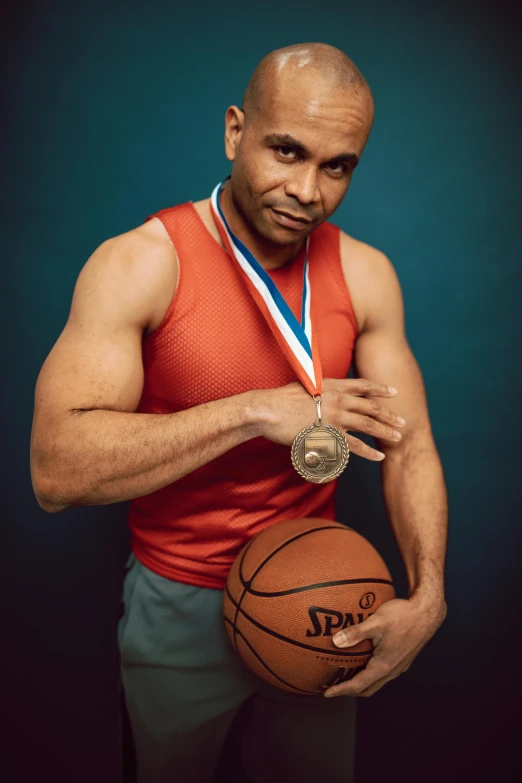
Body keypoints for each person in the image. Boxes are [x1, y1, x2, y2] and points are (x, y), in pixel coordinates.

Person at [30, 42, 448, 783]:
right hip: (178, 598)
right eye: (286, 151)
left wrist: (430, 591)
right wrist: (253, 410)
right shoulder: (140, 263)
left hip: (325, 598)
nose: (307, 190)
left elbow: (408, 445)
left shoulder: (365, 273)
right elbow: (55, 470)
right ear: (234, 133)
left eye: (337, 166)